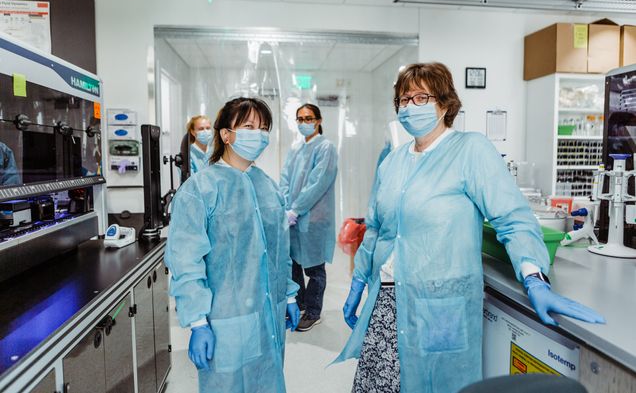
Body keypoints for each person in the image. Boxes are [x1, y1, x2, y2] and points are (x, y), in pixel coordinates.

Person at [335, 63, 605, 393]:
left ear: (445, 104)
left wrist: (534, 277)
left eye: (421, 97)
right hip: (388, 301)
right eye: (404, 100)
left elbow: (513, 218)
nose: (409, 107)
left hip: (440, 303)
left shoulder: (470, 150)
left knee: (438, 383)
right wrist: (360, 279)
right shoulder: (393, 161)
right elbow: (376, 227)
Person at [165, 97, 300, 393]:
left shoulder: (268, 186)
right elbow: (186, 261)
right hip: (225, 319)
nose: (259, 134)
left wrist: (288, 294)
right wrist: (198, 322)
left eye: (264, 128)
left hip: (269, 312)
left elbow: (279, 251)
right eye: (249, 126)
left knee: (268, 380)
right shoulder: (200, 189)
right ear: (226, 135)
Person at [280, 103, 338, 331]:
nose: (304, 123)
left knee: (314, 268)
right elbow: (285, 178)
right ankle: (300, 304)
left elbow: (318, 182)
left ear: (319, 120)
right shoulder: (295, 149)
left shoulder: (326, 148)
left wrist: (297, 209)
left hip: (314, 218)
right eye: (300, 119)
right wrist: (286, 206)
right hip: (292, 216)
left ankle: (314, 311)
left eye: (308, 118)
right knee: (294, 263)